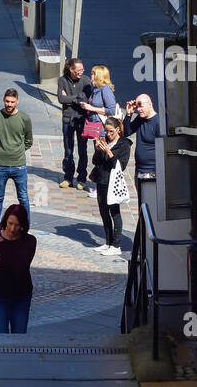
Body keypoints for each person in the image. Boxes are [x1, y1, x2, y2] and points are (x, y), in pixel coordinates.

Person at [0, 203, 37, 334]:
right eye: (10, 223)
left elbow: (20, 267)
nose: (12, 228)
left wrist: (1, 245)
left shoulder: (29, 241)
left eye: (17, 225)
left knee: (19, 337)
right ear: (5, 221)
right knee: (1, 337)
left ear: (23, 225)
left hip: (21, 296)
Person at [0, 88, 33, 230]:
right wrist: (1, 151)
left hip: (19, 165)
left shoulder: (24, 118)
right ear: (3, 100)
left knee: (23, 198)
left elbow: (29, 140)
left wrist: (17, 152)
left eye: (12, 102)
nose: (9, 104)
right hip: (0, 165)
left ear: (17, 101)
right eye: (7, 101)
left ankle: (25, 228)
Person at [90, 115, 131, 256]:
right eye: (106, 131)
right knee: (103, 212)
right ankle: (108, 242)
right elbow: (95, 162)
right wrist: (98, 150)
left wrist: (109, 152)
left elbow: (121, 166)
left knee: (114, 212)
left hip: (112, 181)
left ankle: (116, 245)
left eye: (111, 131)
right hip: (101, 179)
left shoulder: (124, 144)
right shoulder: (105, 140)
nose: (108, 134)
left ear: (118, 130)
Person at [57, 57, 89, 191]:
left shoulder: (86, 81)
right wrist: (77, 99)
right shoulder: (63, 80)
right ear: (71, 70)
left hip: (82, 119)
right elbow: (61, 98)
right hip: (68, 120)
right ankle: (68, 177)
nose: (82, 72)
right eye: (79, 70)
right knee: (68, 150)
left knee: (82, 150)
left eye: (82, 69)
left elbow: (86, 98)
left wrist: (70, 100)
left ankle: (81, 178)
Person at [123, 93, 161, 205]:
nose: (138, 110)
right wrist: (128, 114)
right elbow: (127, 132)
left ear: (150, 104)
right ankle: (142, 222)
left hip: (152, 172)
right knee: (142, 203)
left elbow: (163, 150)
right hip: (139, 170)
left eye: (141, 106)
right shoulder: (140, 119)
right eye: (137, 106)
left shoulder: (158, 123)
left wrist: (155, 172)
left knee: (151, 204)